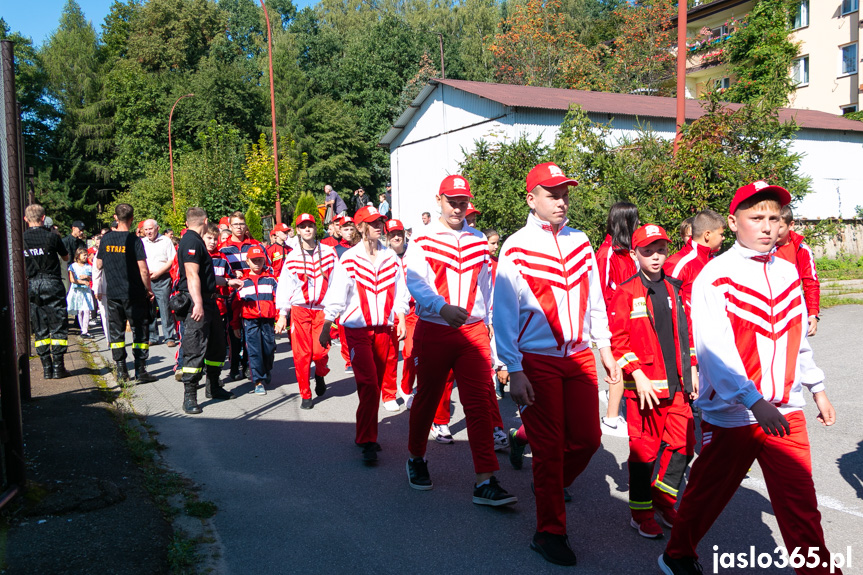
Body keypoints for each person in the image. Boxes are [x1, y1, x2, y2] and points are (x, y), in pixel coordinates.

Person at [659, 181, 841, 575]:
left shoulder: (789, 271)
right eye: (756, 217)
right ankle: (677, 555)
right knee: (708, 494)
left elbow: (797, 340)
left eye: (774, 218)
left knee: (801, 506)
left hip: (786, 411)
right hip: (734, 413)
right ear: (733, 221)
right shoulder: (715, 274)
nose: (766, 227)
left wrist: (817, 387)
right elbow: (714, 352)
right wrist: (753, 401)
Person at [494, 163, 619, 565]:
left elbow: (595, 298)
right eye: (553, 194)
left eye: (565, 193)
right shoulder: (514, 247)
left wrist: (604, 346)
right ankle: (549, 532)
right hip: (537, 360)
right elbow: (504, 314)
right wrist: (513, 368)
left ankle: (540, 471)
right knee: (549, 449)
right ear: (532, 199)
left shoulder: (582, 241)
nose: (562, 201)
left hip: (579, 355)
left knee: (587, 439)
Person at [404, 174, 516, 507]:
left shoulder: (479, 240)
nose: (457, 207)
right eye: (451, 201)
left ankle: (485, 478)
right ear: (439, 199)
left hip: (473, 329)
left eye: (462, 201)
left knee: (480, 401)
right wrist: (440, 306)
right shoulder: (422, 239)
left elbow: (487, 287)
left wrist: (488, 322)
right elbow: (415, 281)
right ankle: (415, 457)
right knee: (427, 397)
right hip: (435, 327)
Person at [610, 224, 697, 540]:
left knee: (684, 445)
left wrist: (693, 371)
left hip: (678, 386)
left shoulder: (675, 288)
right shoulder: (625, 291)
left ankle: (662, 499)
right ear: (635, 254)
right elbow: (618, 341)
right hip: (646, 389)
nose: (656, 257)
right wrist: (639, 375)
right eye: (648, 251)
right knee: (644, 454)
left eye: (661, 250)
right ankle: (641, 512)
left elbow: (684, 335)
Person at [321, 206, 409, 462]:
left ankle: (364, 433)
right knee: (369, 384)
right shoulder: (348, 258)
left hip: (384, 329)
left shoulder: (391, 257)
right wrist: (327, 324)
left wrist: (401, 317)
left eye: (380, 221)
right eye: (372, 223)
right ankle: (369, 440)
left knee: (377, 383)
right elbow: (337, 294)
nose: (379, 226)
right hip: (357, 331)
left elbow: (400, 290)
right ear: (360, 228)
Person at [177, 207, 242, 414]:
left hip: (210, 301)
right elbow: (192, 274)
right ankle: (190, 397)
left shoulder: (195, 240)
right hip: (199, 303)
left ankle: (213, 387)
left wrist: (229, 281)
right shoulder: (192, 241)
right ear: (205, 221)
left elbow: (207, 277)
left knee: (217, 346)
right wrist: (197, 303)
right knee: (195, 348)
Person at [274, 213, 336, 409]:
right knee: (301, 355)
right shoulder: (292, 257)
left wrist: (337, 308)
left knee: (319, 352)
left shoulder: (328, 252)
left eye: (310, 225)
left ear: (315, 228)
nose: (307, 229)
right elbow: (284, 286)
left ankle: (320, 373)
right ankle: (305, 394)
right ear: (298, 231)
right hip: (300, 310)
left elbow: (337, 282)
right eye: (303, 227)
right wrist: (282, 314)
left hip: (322, 310)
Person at [95, 204, 157, 383]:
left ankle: (121, 370)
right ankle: (140, 370)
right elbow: (143, 270)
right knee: (139, 330)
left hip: (113, 293)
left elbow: (98, 264)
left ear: (115, 217)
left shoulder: (106, 238)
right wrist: (149, 290)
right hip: (134, 293)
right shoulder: (134, 240)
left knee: (116, 333)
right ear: (132, 219)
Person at [595, 202, 639, 437]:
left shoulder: (628, 252)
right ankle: (611, 419)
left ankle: (616, 405)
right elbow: (599, 292)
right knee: (618, 369)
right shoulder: (607, 254)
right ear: (625, 223)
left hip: (631, 320)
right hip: (614, 324)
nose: (638, 224)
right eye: (635, 220)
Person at [24, 204, 70, 378]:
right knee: (58, 324)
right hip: (52, 283)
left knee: (40, 326)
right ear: (43, 218)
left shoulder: (21, 238)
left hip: (33, 284)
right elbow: (65, 257)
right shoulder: (52, 237)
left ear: (25, 219)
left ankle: (46, 369)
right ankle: (59, 368)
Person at [232, 245, 279, 396]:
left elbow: (278, 299)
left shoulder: (271, 280)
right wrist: (235, 325)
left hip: (268, 320)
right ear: (247, 262)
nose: (257, 263)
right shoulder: (242, 282)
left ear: (264, 260)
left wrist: (279, 319)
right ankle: (258, 381)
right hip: (250, 321)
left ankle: (266, 369)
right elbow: (236, 305)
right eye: (254, 260)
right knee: (254, 350)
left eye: (260, 260)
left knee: (269, 348)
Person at [663, 209, 725, 317]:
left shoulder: (716, 262)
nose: (723, 238)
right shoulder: (678, 264)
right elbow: (665, 305)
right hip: (688, 333)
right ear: (707, 235)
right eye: (721, 234)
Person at [385, 219, 418, 407]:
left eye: (399, 233)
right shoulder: (383, 256)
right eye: (392, 234)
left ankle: (406, 388)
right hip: (390, 311)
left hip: (412, 311)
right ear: (387, 236)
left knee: (411, 352)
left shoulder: (415, 253)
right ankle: (388, 395)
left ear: (405, 234)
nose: (396, 237)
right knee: (389, 355)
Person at [775, 205, 820, 337]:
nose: (773, 232)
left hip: (793, 313)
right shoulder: (761, 249)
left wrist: (812, 314)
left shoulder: (801, 249)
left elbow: (811, 283)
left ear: (791, 225)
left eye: (779, 227)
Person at [142, 219, 179, 347]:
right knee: (149, 309)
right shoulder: (142, 242)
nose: (148, 232)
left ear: (157, 228)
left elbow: (172, 260)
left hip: (162, 278)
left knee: (165, 308)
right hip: (147, 279)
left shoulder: (166, 241)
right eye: (146, 229)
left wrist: (158, 272)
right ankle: (152, 337)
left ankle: (169, 337)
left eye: (150, 229)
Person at [67, 248, 95, 340]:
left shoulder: (88, 266)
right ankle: (82, 328)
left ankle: (85, 330)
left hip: (85, 291)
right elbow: (72, 279)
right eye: (84, 255)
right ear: (78, 255)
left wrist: (87, 277)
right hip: (77, 291)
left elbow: (92, 277)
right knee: (80, 310)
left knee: (86, 309)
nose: (85, 257)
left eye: (86, 255)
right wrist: (82, 282)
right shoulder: (73, 266)